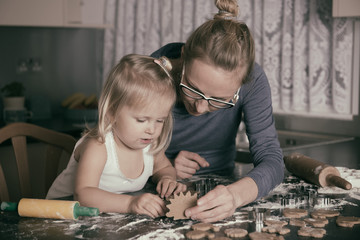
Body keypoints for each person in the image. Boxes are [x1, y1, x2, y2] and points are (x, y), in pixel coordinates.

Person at [150, 0, 284, 222]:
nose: (200, 107)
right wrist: (161, 165)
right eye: (192, 89)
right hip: (153, 194)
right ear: (183, 57)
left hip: (221, 191)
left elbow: (272, 159)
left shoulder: (253, 81)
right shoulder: (149, 74)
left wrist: (235, 195)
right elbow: (114, 147)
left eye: (219, 100)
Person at [47, 54, 186, 218]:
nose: (152, 129)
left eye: (160, 120)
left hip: (102, 219)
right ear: (112, 112)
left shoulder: (148, 145)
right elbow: (83, 195)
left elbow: (163, 167)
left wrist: (167, 179)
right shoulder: (98, 146)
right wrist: (130, 203)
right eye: (142, 120)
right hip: (60, 217)